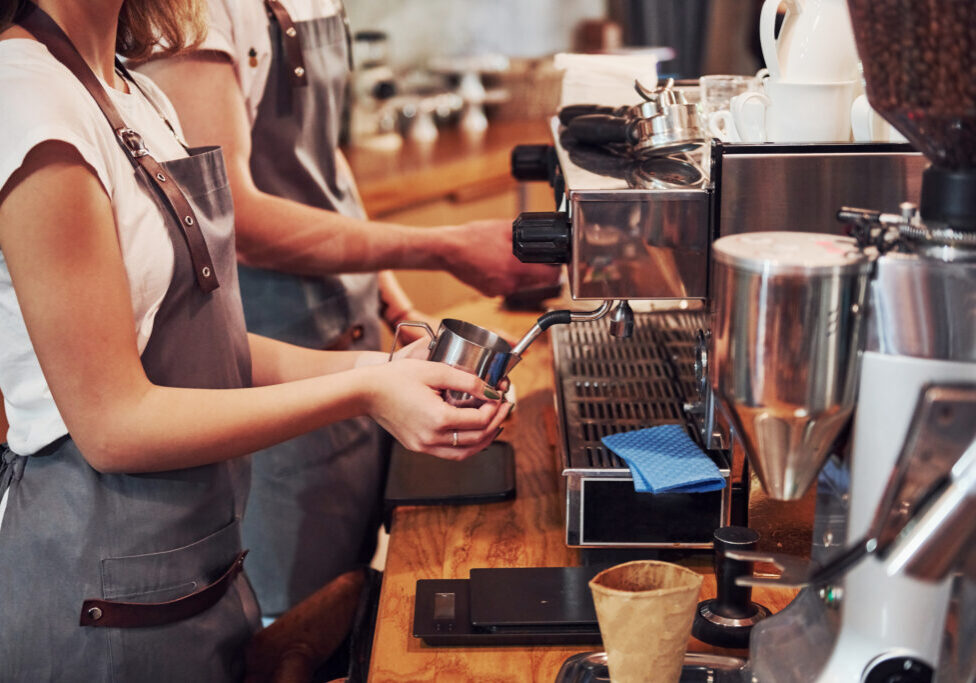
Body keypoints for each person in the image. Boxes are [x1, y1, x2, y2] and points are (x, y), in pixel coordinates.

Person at [0, 0, 509, 679]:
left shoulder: (134, 92)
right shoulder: (27, 102)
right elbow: (113, 422)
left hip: (193, 580)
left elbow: (209, 346)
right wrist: (363, 391)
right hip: (101, 608)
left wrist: (383, 365)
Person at [135, 0, 554, 619]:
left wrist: (392, 301)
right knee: (295, 620)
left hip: (351, 342)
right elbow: (236, 220)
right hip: (277, 361)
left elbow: (324, 167)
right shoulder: (197, 13)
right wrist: (441, 246)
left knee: (354, 601)